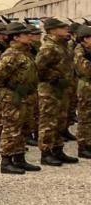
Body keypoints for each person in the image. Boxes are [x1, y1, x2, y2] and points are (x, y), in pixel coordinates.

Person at [0, 22, 41, 175]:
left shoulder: (26, 52)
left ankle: (19, 158)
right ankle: (6, 161)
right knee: (11, 129)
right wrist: (14, 87)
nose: (30, 36)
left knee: (24, 127)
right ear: (16, 37)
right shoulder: (11, 54)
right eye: (26, 34)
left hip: (26, 96)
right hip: (13, 97)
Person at [34, 18, 78, 166]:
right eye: (62, 27)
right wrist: (54, 78)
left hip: (62, 90)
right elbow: (39, 69)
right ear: (52, 30)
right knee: (48, 122)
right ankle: (46, 153)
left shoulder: (63, 45)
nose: (66, 29)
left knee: (61, 120)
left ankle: (58, 149)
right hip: (50, 90)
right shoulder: (49, 47)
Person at [73, 24, 91, 160]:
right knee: (85, 117)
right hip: (85, 87)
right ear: (85, 39)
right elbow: (84, 69)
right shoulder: (79, 51)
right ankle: (83, 146)